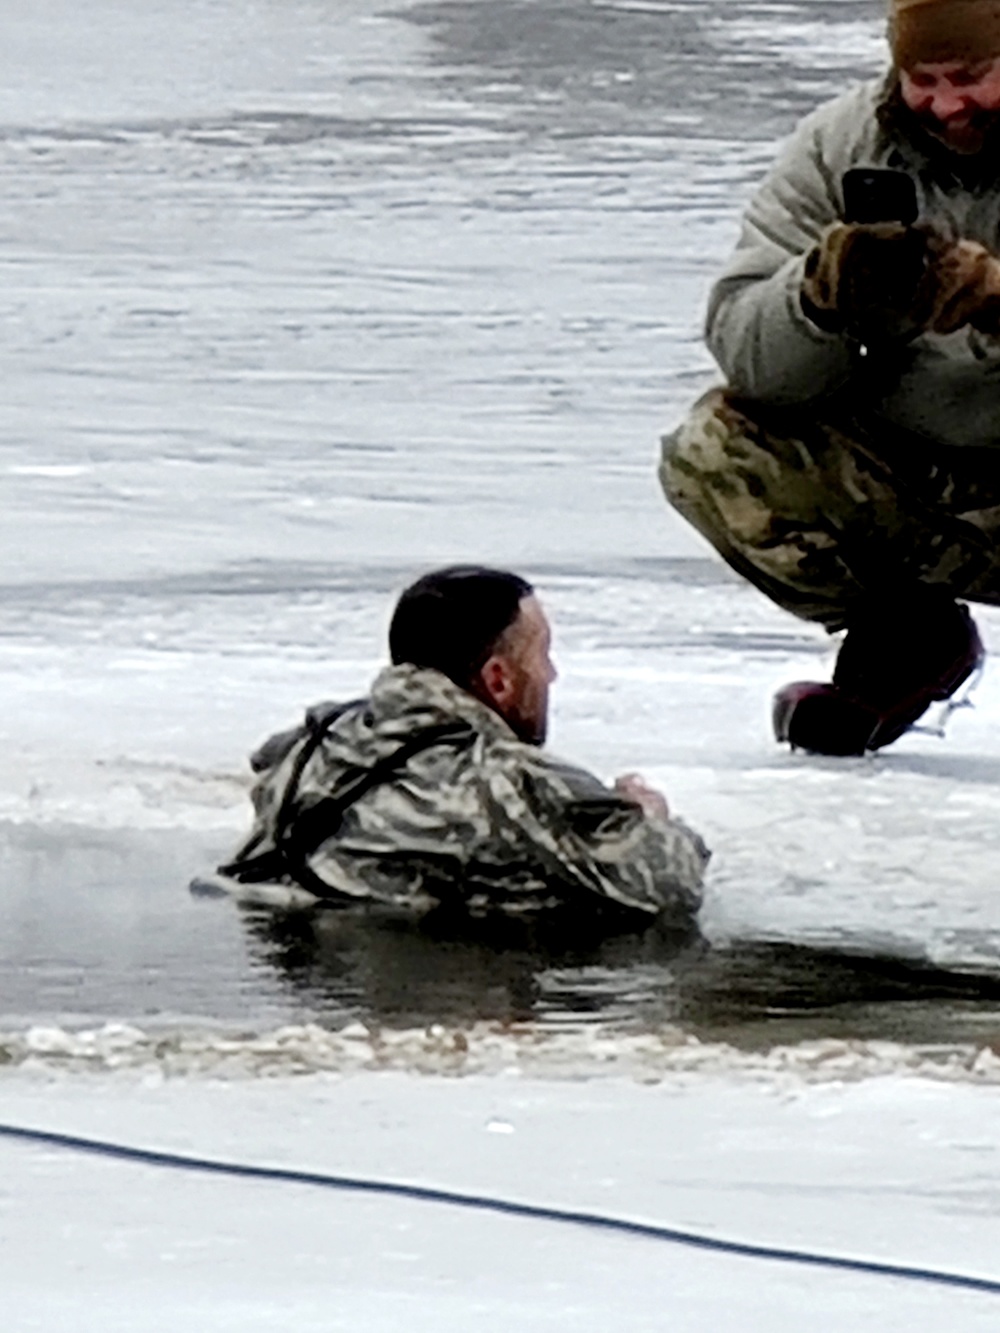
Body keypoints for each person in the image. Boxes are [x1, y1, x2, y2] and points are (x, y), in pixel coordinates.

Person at [660, 0, 1000, 756]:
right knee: (716, 451)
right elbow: (745, 350)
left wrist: (993, 300)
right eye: (924, 78)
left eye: (972, 76)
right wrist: (818, 297)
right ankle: (910, 637)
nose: (947, 105)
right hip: (917, 472)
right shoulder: (842, 145)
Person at [218, 566, 708, 921]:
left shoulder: (310, 742)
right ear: (498, 680)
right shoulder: (506, 780)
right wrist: (648, 813)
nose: (553, 675)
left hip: (299, 962)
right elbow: (669, 886)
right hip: (417, 979)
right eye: (543, 656)